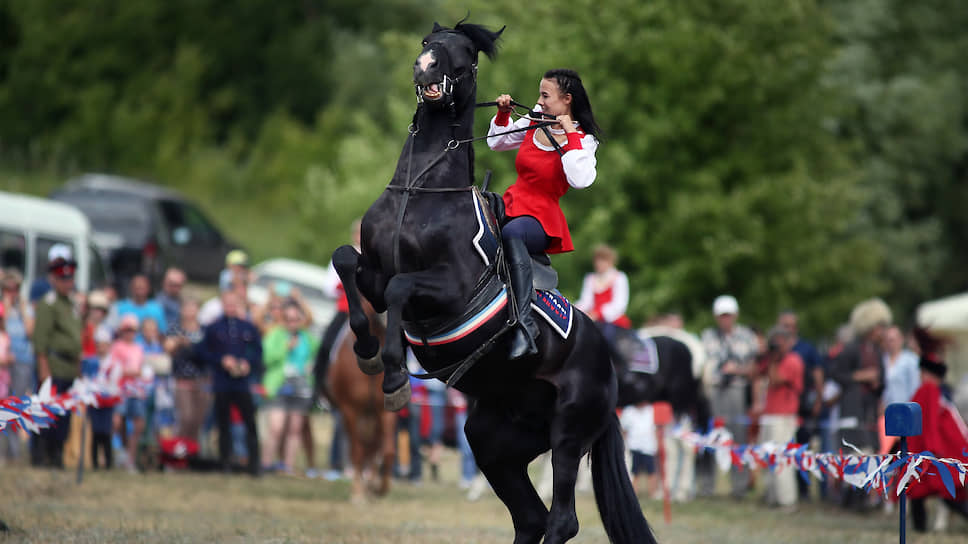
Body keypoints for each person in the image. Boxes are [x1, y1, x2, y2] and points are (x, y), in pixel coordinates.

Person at [487, 68, 602, 359]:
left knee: (513, 233)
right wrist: (503, 115)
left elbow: (580, 179)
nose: (539, 101)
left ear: (566, 100)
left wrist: (571, 133)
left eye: (545, 96)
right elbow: (496, 142)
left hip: (541, 217)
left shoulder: (584, 139)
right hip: (513, 202)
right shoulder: (533, 120)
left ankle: (525, 325)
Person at [903, 327, 968, 532]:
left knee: (944, 493)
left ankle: (919, 530)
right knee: (923, 493)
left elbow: (929, 421)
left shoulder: (929, 390)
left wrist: (932, 449)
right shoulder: (931, 390)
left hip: (933, 449)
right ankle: (918, 530)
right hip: (929, 448)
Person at [828, 298, 890, 510]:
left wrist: (876, 384)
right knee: (854, 454)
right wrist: (859, 376)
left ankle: (864, 499)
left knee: (869, 453)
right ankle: (850, 499)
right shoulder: (852, 349)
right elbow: (836, 374)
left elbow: (882, 381)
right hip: (852, 409)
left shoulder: (878, 352)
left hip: (869, 411)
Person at [196, 291, 262, 475]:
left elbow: (257, 351)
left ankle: (254, 464)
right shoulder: (214, 328)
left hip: (241, 383)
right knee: (223, 423)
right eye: (228, 304)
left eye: (234, 304)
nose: (231, 307)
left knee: (250, 423)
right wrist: (221, 360)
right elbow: (202, 352)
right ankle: (225, 462)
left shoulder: (247, 327)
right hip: (222, 382)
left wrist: (247, 363)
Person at [698, 294, 759, 498]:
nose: (726, 319)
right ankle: (706, 486)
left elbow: (755, 368)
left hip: (736, 390)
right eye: (722, 315)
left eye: (729, 315)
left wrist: (738, 370)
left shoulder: (747, 337)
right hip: (714, 390)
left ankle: (739, 487)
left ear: (735, 315)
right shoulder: (707, 336)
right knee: (710, 437)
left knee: (737, 437)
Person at [31, 244, 82, 468]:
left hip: (69, 367)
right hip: (52, 364)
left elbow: (76, 338)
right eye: (63, 279)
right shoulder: (48, 304)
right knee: (45, 412)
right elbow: (40, 339)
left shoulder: (72, 304)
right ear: (54, 280)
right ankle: (41, 455)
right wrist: (43, 367)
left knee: (63, 416)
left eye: (70, 279)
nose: (67, 284)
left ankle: (58, 454)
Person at [261, 302, 319, 474]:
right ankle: (266, 463)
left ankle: (287, 466)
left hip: (301, 385)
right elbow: (267, 357)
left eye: (296, 319)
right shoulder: (275, 335)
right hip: (279, 385)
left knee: (295, 429)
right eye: (288, 319)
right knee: (276, 428)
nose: (292, 323)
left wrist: (312, 367)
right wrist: (285, 348)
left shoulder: (307, 337)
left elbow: (316, 355)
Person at [776, 310, 825, 500]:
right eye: (782, 325)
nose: (785, 329)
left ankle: (803, 488)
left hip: (803, 405)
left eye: (788, 325)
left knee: (802, 447)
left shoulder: (806, 349)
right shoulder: (777, 350)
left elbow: (817, 372)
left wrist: (819, 399)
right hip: (783, 408)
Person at [755, 327, 804, 509]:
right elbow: (755, 374)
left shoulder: (792, 360)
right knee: (768, 457)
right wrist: (762, 357)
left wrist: (773, 360)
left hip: (784, 416)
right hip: (769, 414)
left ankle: (786, 499)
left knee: (782, 458)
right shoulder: (772, 360)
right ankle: (771, 496)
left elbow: (776, 379)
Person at [107, 314, 147, 473]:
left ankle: (130, 458)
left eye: (132, 330)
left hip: (136, 389)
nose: (130, 333)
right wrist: (130, 372)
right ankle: (113, 454)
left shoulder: (139, 348)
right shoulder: (116, 347)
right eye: (127, 330)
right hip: (120, 388)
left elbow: (141, 369)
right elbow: (114, 368)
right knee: (117, 421)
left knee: (138, 423)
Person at [165, 297, 207, 442]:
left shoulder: (204, 330)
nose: (190, 311)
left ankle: (192, 453)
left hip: (201, 379)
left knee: (198, 420)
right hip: (182, 379)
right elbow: (168, 347)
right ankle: (179, 451)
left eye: (193, 307)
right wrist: (178, 342)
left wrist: (190, 345)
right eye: (186, 307)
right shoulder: (175, 328)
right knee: (186, 417)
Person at [575, 244, 631, 344]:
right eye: (597, 260)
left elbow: (619, 304)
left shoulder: (619, 277)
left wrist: (598, 314)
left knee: (608, 338)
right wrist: (574, 310)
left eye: (602, 260)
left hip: (613, 321)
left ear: (610, 262)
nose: (599, 264)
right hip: (594, 320)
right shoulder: (590, 279)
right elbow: (585, 301)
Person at [82, 327, 115, 470]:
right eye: (99, 345)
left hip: (108, 401)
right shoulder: (90, 362)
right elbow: (86, 379)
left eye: (104, 345)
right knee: (95, 431)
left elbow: (114, 383)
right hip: (94, 400)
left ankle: (108, 462)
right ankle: (94, 462)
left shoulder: (113, 363)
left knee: (106, 432)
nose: (101, 348)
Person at [620, 402, 659, 499]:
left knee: (652, 471)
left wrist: (657, 444)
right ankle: (633, 494)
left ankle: (653, 494)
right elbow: (624, 430)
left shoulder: (651, 409)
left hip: (649, 447)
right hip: (633, 446)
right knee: (634, 472)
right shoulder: (628, 411)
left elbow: (656, 429)